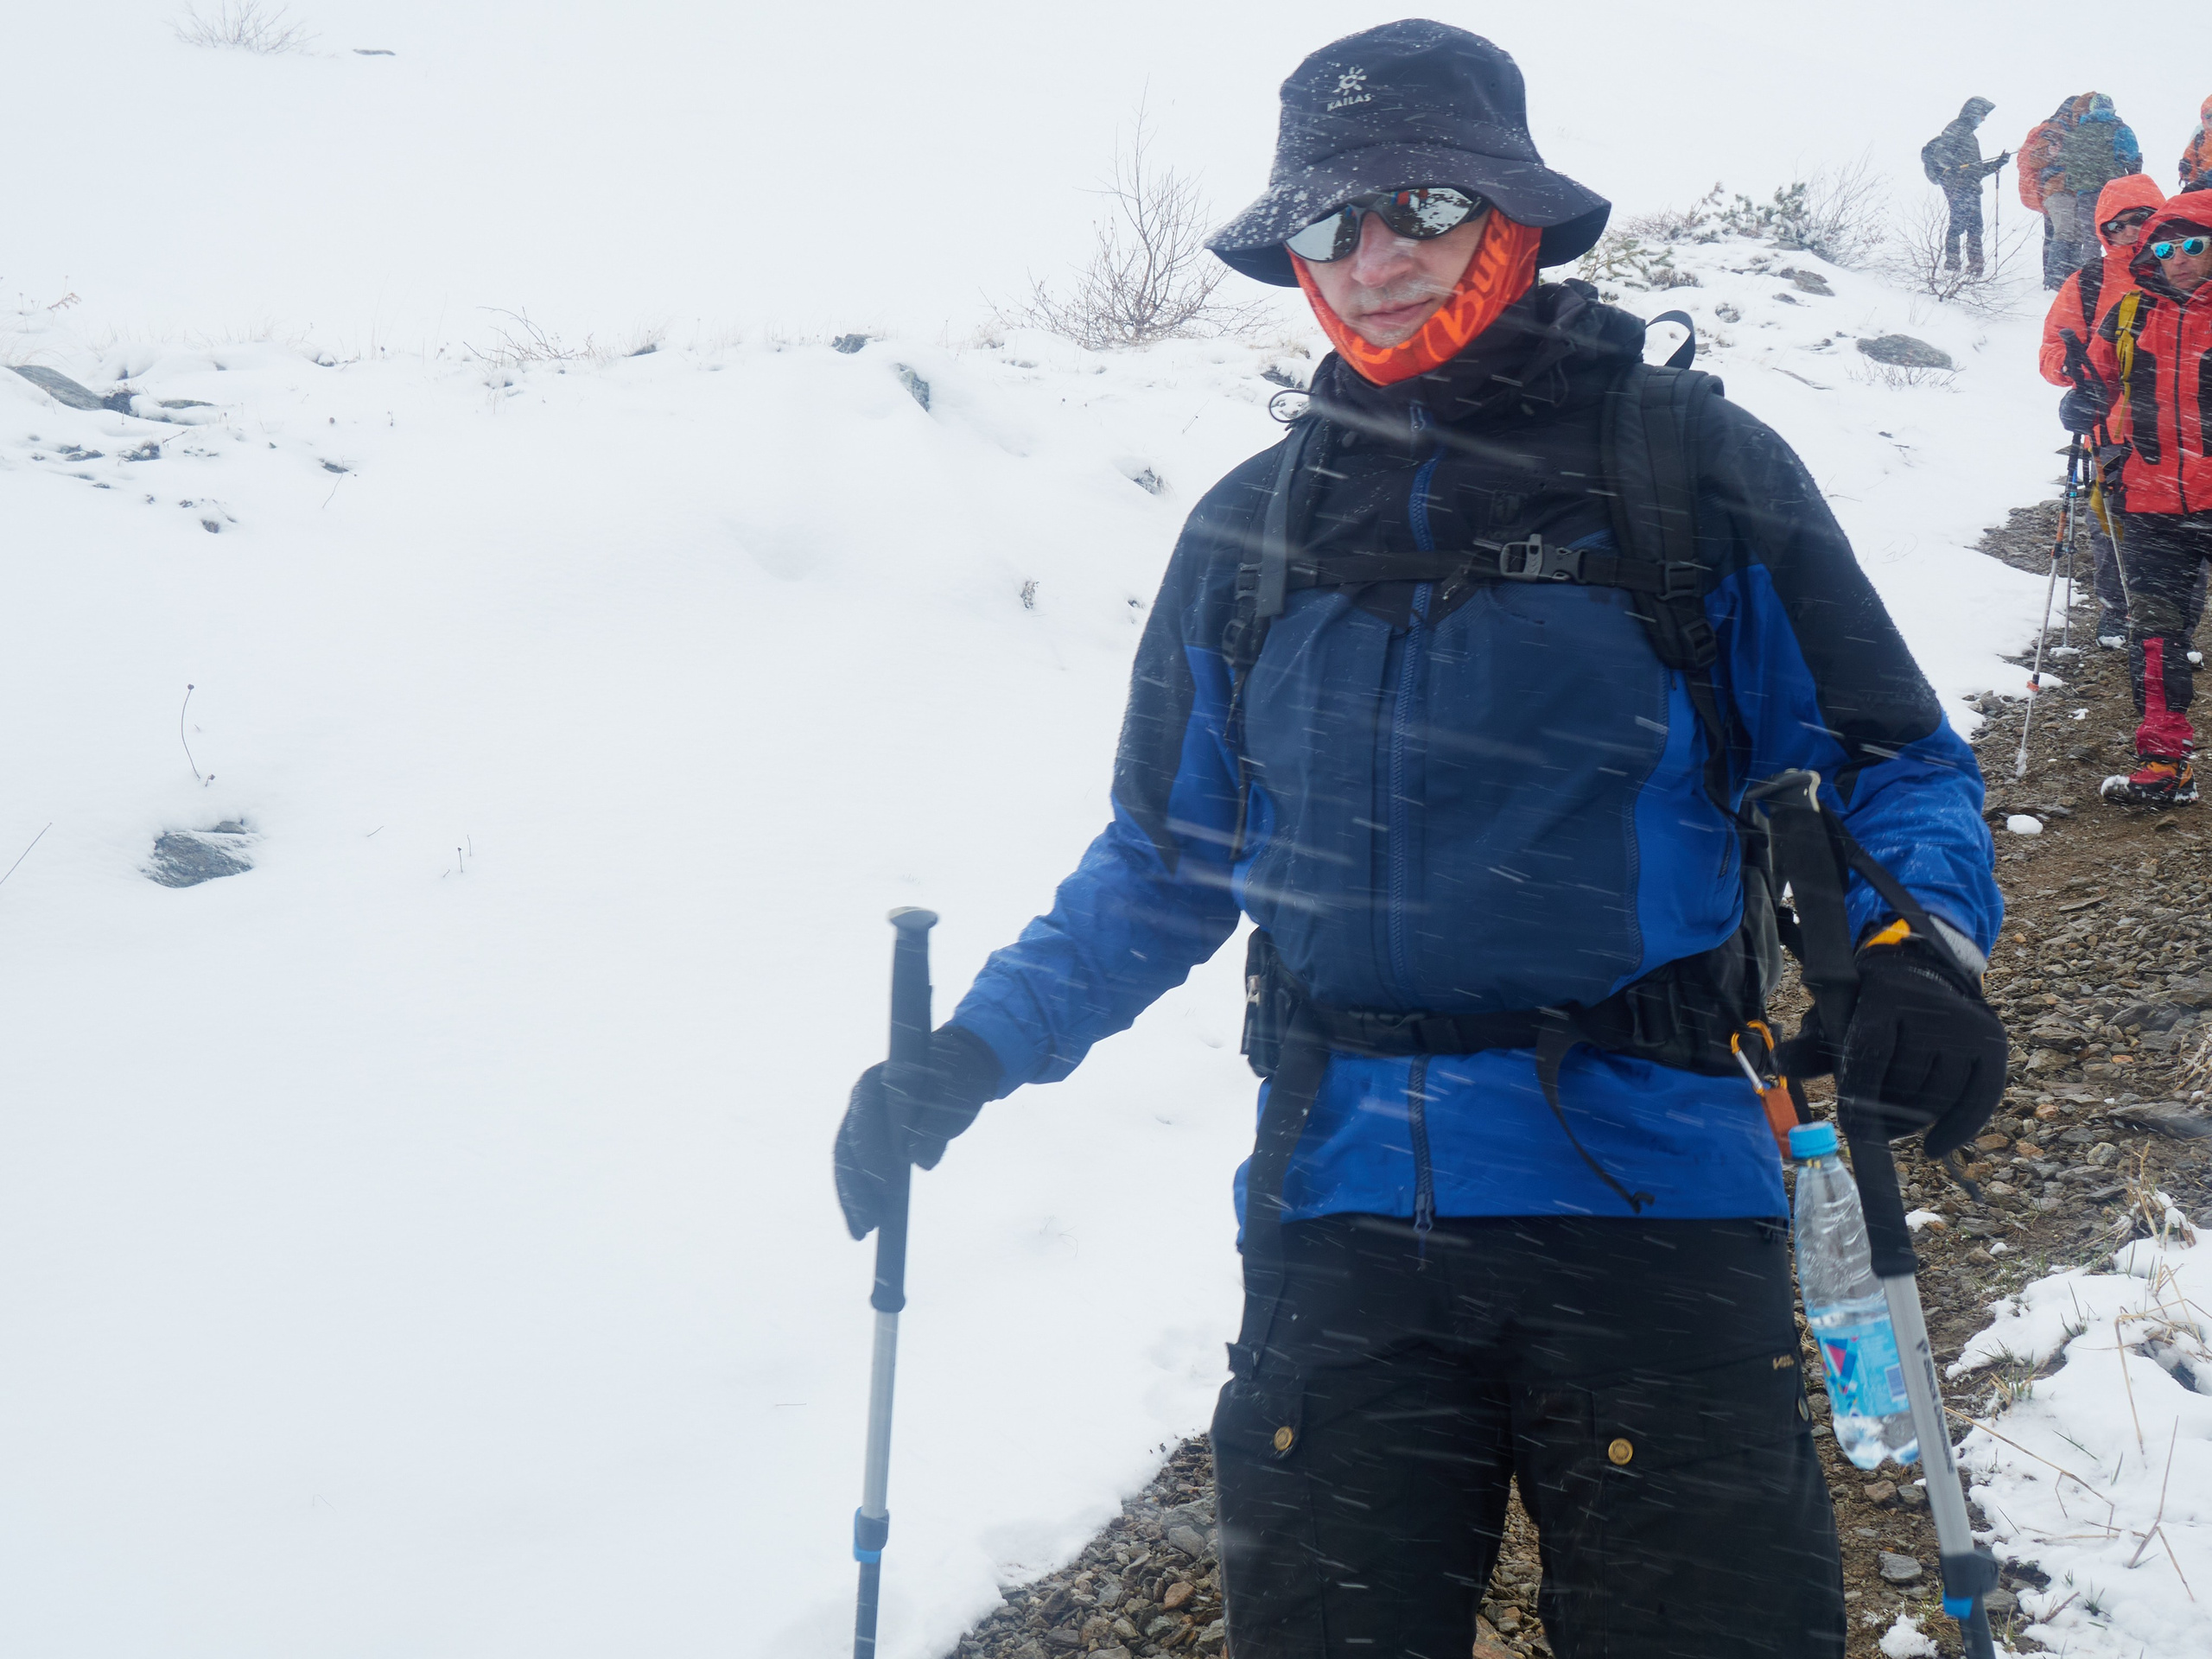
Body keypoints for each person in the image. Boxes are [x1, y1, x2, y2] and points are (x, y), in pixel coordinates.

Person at [836, 22, 2005, 1657]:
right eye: (1326, 223)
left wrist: (1918, 955)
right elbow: (1166, 863)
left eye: (1418, 206)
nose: (1369, 260)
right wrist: (968, 1057)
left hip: (1656, 1212)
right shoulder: (1251, 529)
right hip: (1340, 1224)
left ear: (1512, 217)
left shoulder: (1690, 478)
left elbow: (1897, 764)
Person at [2075, 203, 2212, 805]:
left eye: (2192, 246)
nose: (2177, 260)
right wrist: (2081, 406)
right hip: (2152, 504)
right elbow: (2097, 383)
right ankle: (2164, 760)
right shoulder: (2129, 315)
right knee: (2154, 634)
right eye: (2163, 250)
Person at [2040, 174, 2166, 645]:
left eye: (2142, 219)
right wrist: (2079, 375)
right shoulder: (2090, 281)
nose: (2131, 232)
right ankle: (2118, 611)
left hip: (2188, 427)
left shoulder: (2190, 268)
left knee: (2181, 531)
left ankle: (2172, 628)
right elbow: (2052, 350)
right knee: (2111, 522)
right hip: (2113, 428)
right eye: (2118, 225)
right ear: (2103, 232)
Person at [2051, 94, 2144, 283]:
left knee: (2091, 237)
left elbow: (2067, 161)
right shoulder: (2119, 128)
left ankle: (2091, 279)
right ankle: (2123, 275)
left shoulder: (2079, 131)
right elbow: (2132, 157)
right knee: (2120, 232)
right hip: (2113, 190)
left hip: (2084, 192)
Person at [1922, 97, 2009, 276]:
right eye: (1982, 115)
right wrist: (1954, 166)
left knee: (1975, 225)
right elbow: (1941, 154)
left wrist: (1996, 164)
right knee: (1959, 223)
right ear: (1973, 113)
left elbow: (1974, 170)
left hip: (1970, 186)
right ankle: (1953, 265)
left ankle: (1975, 267)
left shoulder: (1969, 136)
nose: (1983, 119)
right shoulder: (1956, 128)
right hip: (1958, 186)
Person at [2021, 96, 2082, 289]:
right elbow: (2035, 160)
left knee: (2060, 233)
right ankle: (2056, 280)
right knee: (2064, 232)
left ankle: (2059, 278)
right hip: (2057, 190)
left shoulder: (2067, 129)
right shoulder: (2056, 128)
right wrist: (2050, 153)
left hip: (2061, 191)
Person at [2178, 96, 2212, 190]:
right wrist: (2186, 168)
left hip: (2204, 186)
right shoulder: (2199, 139)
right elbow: (2190, 164)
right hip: (2204, 190)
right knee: (2180, 201)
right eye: (2209, 116)